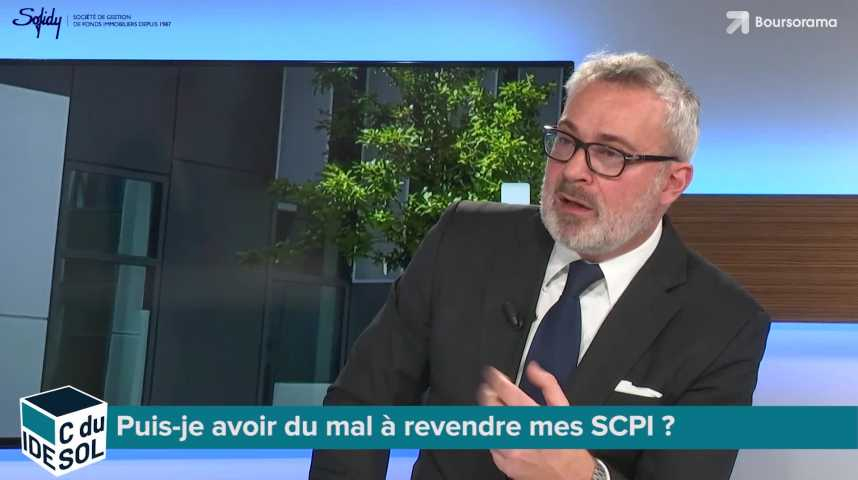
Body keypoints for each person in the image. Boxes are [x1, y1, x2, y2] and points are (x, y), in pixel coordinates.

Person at [309, 52, 771, 480]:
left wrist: (585, 475)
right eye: (566, 140)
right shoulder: (464, 241)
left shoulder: (724, 324)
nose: (572, 170)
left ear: (672, 182)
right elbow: (361, 402)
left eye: (610, 154)